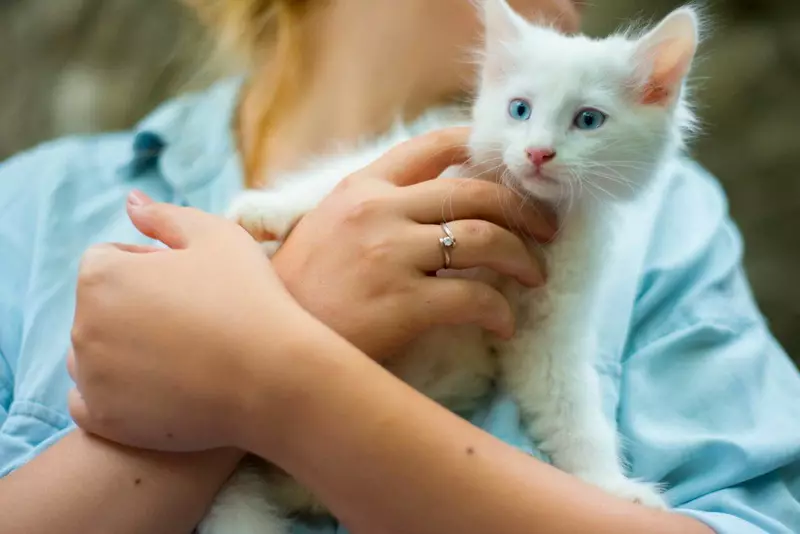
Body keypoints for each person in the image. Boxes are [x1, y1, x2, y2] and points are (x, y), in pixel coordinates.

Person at [0, 0, 798, 533]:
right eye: (522, 109)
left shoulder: (664, 223)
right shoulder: (35, 204)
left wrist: (282, 377)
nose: (544, 141)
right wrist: (295, 303)